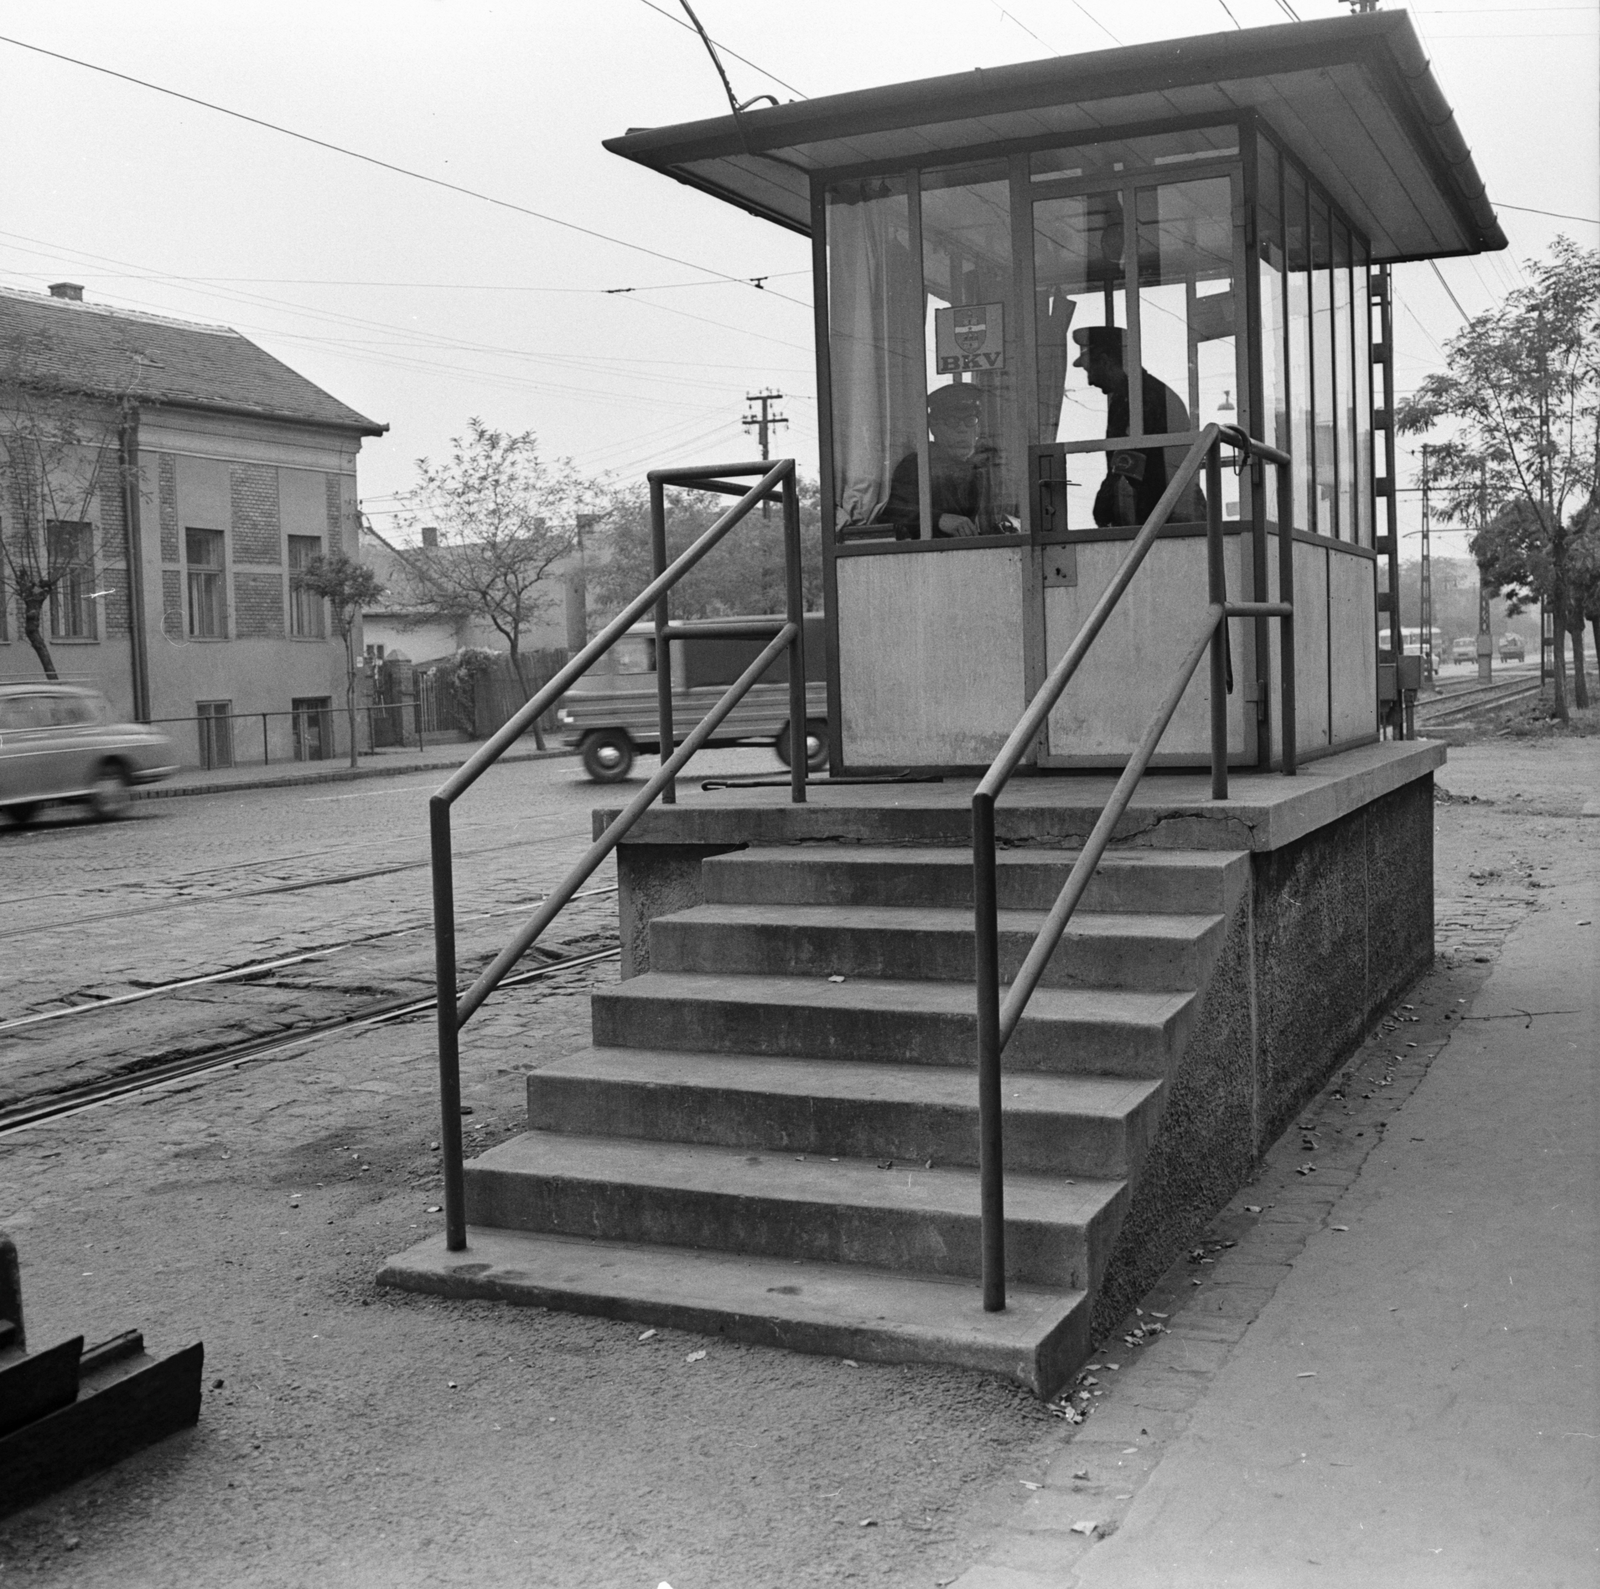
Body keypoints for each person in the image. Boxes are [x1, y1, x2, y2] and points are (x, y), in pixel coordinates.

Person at [1072, 327, 1205, 528]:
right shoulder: (1134, 394)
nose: (1090, 381)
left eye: (1089, 370)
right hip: (1167, 512)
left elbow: (1128, 471)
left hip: (1161, 518)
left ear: (1106, 361)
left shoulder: (1138, 399)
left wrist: (1104, 510)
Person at [881, 384, 996, 540]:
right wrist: (938, 519)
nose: (962, 430)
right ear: (933, 427)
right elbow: (892, 514)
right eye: (952, 421)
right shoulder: (916, 465)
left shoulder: (977, 469)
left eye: (970, 420)